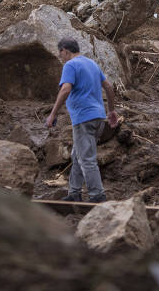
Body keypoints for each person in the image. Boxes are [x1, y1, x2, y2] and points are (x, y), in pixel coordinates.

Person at [45, 37, 118, 203]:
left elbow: (65, 89)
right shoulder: (91, 64)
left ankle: (97, 195)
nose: (60, 56)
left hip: (83, 118)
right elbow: (108, 87)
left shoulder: (70, 65)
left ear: (65, 50)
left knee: (86, 159)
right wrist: (111, 110)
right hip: (98, 117)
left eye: (60, 53)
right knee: (77, 155)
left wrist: (53, 113)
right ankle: (74, 192)